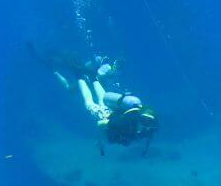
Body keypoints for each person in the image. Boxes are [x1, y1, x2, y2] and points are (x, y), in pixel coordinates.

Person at [29, 44, 158, 155]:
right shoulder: (130, 125)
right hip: (104, 115)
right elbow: (100, 124)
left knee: (100, 96)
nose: (146, 126)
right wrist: (100, 142)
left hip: (110, 109)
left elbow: (147, 134)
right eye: (146, 121)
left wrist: (145, 148)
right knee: (89, 102)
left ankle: (88, 77)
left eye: (148, 123)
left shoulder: (145, 128)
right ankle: (79, 75)